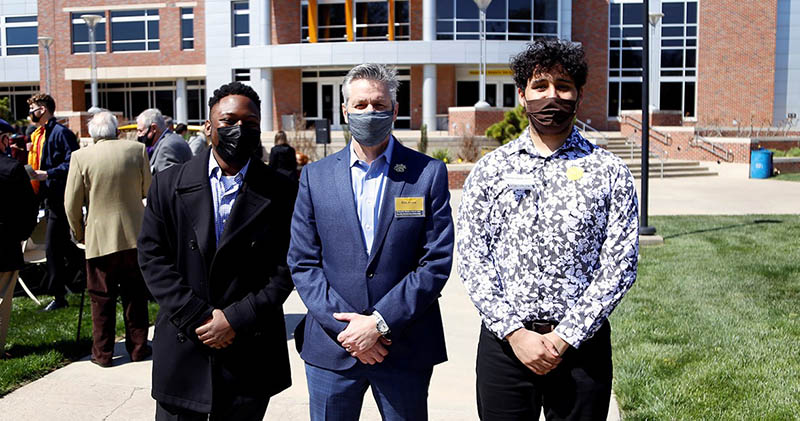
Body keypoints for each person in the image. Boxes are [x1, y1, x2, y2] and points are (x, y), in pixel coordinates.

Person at [456, 39, 639, 420]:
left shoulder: (609, 171)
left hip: (580, 349)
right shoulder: (491, 171)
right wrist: (515, 334)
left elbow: (620, 264)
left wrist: (565, 336)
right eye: (540, 87)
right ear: (522, 96)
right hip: (505, 346)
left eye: (563, 86)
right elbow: (474, 258)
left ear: (578, 95)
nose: (551, 96)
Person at [288, 63, 454, 421]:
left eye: (379, 105)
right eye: (360, 105)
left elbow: (436, 262)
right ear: (345, 110)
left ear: (395, 110)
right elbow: (303, 262)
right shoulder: (315, 177)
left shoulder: (426, 173)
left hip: (403, 345)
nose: (370, 112)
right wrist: (350, 330)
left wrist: (378, 323)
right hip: (333, 348)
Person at [138, 81, 297, 420]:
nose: (239, 129)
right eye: (228, 121)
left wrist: (234, 320)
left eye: (250, 123)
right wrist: (201, 317)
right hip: (186, 340)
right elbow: (152, 257)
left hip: (249, 347)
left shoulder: (281, 190)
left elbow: (287, 268)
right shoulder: (168, 184)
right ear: (209, 127)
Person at [64, 111, 152, 367]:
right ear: (116, 129)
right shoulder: (137, 150)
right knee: (135, 295)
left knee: (101, 298)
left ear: (92, 134)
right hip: (135, 236)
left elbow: (71, 203)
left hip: (99, 237)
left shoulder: (81, 157)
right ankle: (138, 348)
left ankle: (102, 353)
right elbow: (148, 189)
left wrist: (80, 233)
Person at [27, 93, 84, 311]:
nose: (30, 113)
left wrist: (47, 174)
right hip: (47, 197)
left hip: (60, 197)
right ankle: (92, 272)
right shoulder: (37, 135)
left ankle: (58, 296)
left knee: (52, 247)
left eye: (33, 108)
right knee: (64, 246)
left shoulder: (61, 133)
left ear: (43, 109)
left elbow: (74, 162)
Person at [0, 119, 39, 358]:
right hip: (4, 243)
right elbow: (29, 209)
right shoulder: (12, 168)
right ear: (3, 139)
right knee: (2, 299)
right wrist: (20, 235)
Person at [136, 108, 192, 174]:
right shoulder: (166, 142)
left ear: (154, 128)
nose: (138, 134)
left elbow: (167, 181)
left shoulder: (168, 147)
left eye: (140, 131)